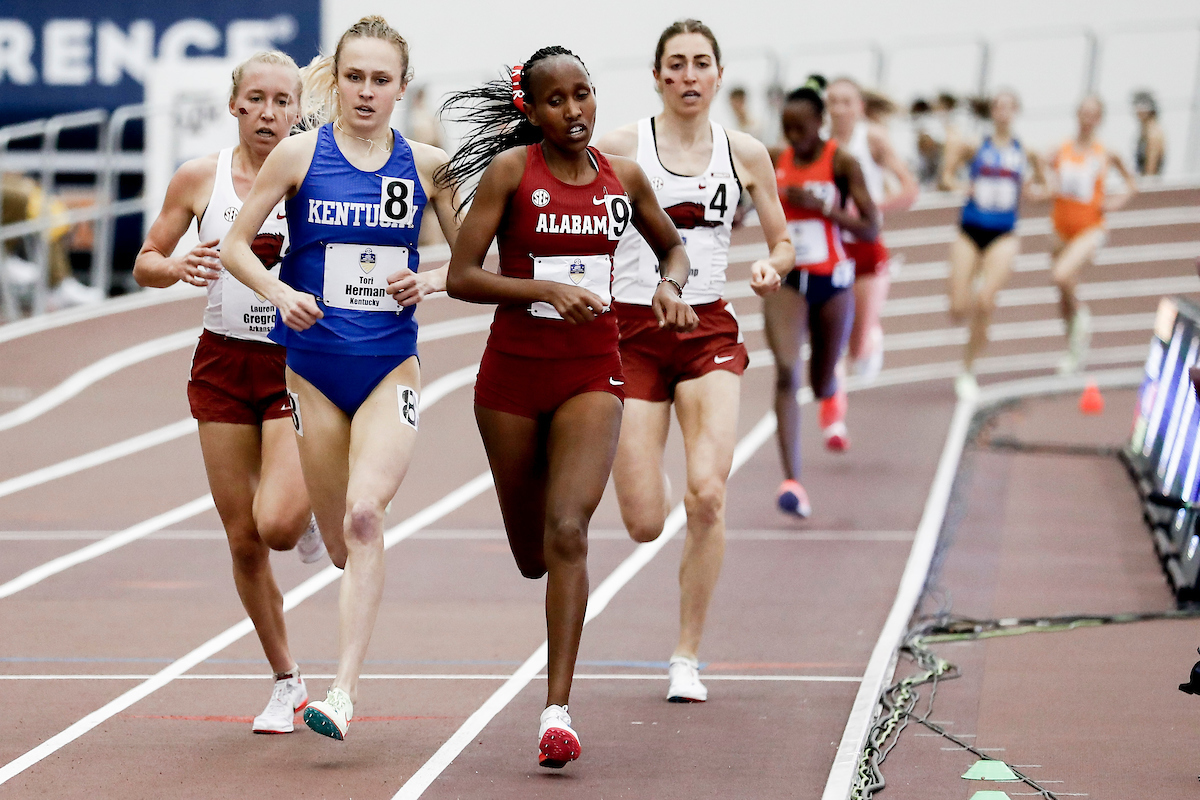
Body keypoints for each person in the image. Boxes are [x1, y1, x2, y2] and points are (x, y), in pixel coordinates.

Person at [440, 45, 698, 768]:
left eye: (583, 95)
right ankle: (543, 575)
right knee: (533, 556)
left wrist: (670, 286)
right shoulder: (510, 173)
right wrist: (543, 290)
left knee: (570, 530)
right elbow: (461, 277)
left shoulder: (625, 180)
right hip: (512, 383)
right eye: (557, 100)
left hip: (593, 372)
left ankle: (557, 709)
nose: (575, 111)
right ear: (532, 110)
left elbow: (673, 249)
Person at [219, 16, 460, 741]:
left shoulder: (426, 166)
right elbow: (234, 246)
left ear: (401, 89)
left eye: (380, 80)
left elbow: (478, 261)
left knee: (364, 517)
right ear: (338, 79)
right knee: (337, 540)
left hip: (391, 364)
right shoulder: (298, 154)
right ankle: (336, 573)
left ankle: (342, 693)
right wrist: (279, 292)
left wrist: (431, 278)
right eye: (354, 77)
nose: (365, 91)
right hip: (313, 372)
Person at [596, 19, 792, 704]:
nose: (687, 76)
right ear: (656, 76)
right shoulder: (620, 148)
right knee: (644, 521)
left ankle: (687, 655)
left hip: (709, 331)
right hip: (633, 332)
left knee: (708, 493)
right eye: (674, 64)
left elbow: (784, 242)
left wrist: (769, 264)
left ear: (717, 76)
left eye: (699, 64)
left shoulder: (745, 154)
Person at [133, 51, 326, 735]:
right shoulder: (199, 179)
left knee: (275, 525)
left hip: (292, 361)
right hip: (221, 364)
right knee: (243, 539)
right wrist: (173, 264)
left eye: (282, 100)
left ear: (299, 107)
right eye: (257, 99)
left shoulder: (314, 176)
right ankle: (287, 681)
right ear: (235, 105)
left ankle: (305, 508)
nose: (269, 112)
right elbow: (145, 262)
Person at [767, 75, 879, 517]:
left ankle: (832, 391)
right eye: (787, 130)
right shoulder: (775, 160)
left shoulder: (842, 163)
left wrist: (825, 209)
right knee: (786, 372)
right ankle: (792, 481)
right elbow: (746, 200)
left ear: (820, 122)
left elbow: (871, 228)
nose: (794, 139)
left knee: (820, 380)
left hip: (834, 284)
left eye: (802, 129)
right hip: (789, 281)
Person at [940, 90, 1046, 397]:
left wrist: (1034, 191)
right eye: (998, 106)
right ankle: (973, 312)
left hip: (1004, 233)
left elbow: (1044, 186)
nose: (1002, 112)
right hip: (970, 229)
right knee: (958, 308)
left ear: (1016, 111)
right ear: (992, 112)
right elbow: (945, 177)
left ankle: (968, 370)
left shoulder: (1026, 151)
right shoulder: (975, 146)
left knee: (985, 301)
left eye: (1008, 106)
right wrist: (960, 185)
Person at [827, 78, 918, 380]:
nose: (839, 109)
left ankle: (871, 338)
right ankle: (832, 418)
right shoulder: (819, 143)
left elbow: (909, 190)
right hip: (831, 248)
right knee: (831, 337)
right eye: (833, 101)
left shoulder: (872, 139)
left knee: (858, 347)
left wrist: (870, 207)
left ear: (860, 106)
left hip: (866, 244)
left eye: (846, 101)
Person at [1047, 95, 1137, 373]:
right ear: (1077, 116)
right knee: (1062, 295)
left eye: (1092, 114)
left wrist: (1115, 202)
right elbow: (1043, 177)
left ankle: (1083, 319)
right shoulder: (1060, 149)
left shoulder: (1105, 152)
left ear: (1099, 119)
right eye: (1083, 113)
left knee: (1061, 275)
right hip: (1061, 227)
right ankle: (1074, 350)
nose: (1087, 119)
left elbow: (1132, 184)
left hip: (1091, 228)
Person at [1132, 90, 1165, 177]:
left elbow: (1151, 169)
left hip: (1149, 183)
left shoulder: (1153, 133)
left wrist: (1146, 187)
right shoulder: (1145, 131)